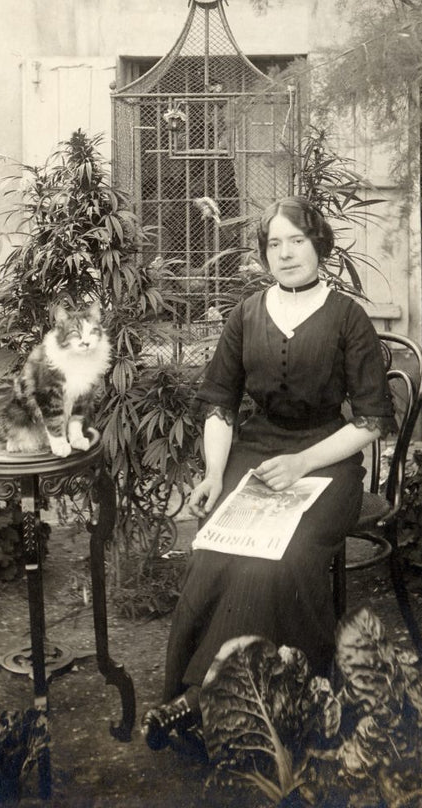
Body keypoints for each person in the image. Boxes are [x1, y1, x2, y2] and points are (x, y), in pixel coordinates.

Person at [141, 196, 396, 751]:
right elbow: (219, 405)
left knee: (283, 556)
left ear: (318, 244)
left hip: (326, 462)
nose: (285, 254)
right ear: (264, 255)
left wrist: (304, 462)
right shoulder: (247, 313)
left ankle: (230, 699)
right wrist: (213, 473)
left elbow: (373, 420)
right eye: (274, 244)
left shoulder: (347, 316)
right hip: (256, 455)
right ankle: (201, 694)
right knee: (216, 552)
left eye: (296, 241)